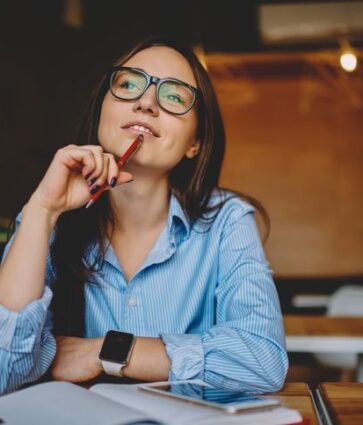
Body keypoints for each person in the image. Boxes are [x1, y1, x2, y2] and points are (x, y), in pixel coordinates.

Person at [0, 36, 288, 395]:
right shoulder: (49, 213)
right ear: (102, 111)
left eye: (174, 96)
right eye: (129, 84)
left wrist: (105, 351)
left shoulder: (227, 221)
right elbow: (4, 371)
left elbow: (262, 361)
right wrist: (42, 210)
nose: (146, 102)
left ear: (195, 143)